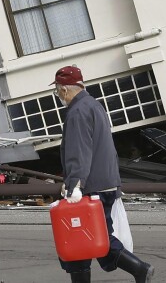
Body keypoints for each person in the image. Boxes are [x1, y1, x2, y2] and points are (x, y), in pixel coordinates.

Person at [54, 65, 154, 283]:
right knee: (88, 237)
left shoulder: (78, 112)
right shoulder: (94, 105)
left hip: (91, 187)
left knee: (90, 239)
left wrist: (74, 186)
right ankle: (140, 270)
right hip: (105, 181)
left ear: (63, 90)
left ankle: (140, 269)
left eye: (57, 91)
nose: (58, 95)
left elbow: (79, 152)